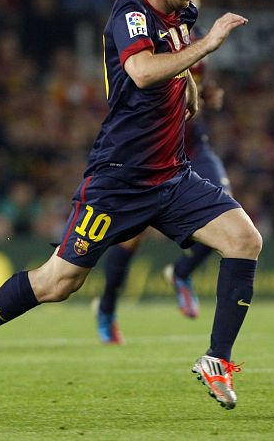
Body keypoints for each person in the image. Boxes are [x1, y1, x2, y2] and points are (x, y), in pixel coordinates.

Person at [0, 0, 261, 410]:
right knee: (58, 282)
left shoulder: (182, 11)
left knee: (244, 240)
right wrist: (206, 45)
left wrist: (189, 84)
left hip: (172, 175)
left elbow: (174, 56)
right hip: (119, 180)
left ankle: (217, 358)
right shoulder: (130, 11)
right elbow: (143, 71)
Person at [97, 22, 234, 344]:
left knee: (227, 215)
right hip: (151, 151)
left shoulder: (195, 35)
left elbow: (196, 81)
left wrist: (208, 94)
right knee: (130, 238)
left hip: (194, 146)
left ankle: (181, 273)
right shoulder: (143, 30)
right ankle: (107, 308)